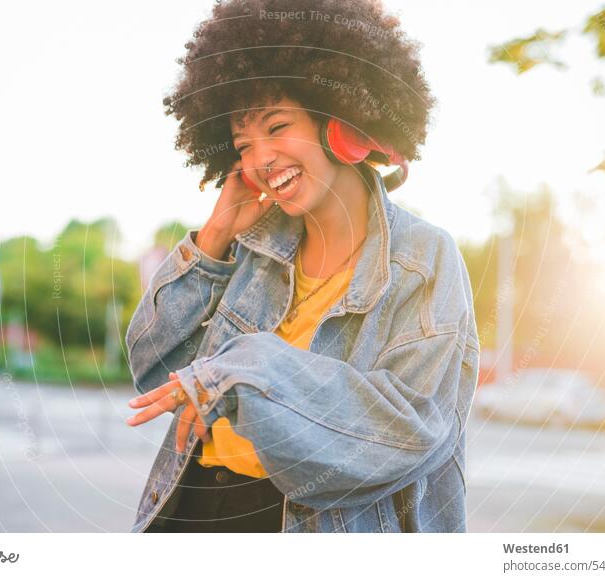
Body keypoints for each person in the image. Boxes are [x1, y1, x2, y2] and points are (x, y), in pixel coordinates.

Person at [125, 0, 479, 533]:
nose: (262, 159)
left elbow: (407, 430)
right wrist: (215, 237)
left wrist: (239, 369)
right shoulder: (247, 249)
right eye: (244, 145)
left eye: (278, 126)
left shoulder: (423, 259)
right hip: (193, 506)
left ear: (341, 121)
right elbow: (154, 369)